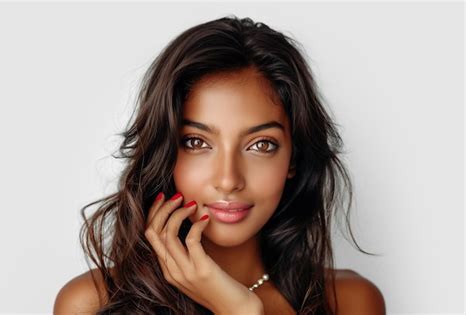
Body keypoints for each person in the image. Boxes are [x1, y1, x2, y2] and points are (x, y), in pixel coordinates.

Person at [53, 16, 386, 314]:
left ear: (293, 160)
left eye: (261, 145)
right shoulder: (92, 304)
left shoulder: (349, 302)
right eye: (196, 143)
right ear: (164, 152)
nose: (228, 180)